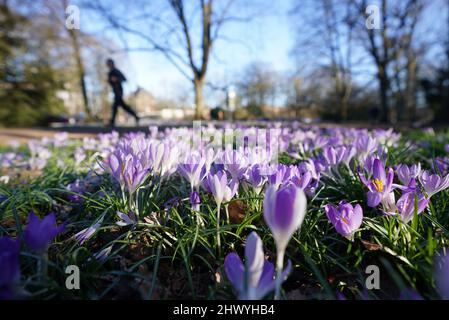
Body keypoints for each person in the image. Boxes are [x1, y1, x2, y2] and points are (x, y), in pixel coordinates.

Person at [106, 58, 140, 127]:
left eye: (109, 63)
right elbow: (110, 82)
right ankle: (136, 116)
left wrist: (116, 79)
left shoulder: (116, 71)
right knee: (123, 106)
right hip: (115, 91)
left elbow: (124, 79)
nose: (107, 65)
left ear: (112, 64)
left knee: (115, 106)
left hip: (119, 90)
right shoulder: (110, 72)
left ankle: (112, 122)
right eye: (107, 64)